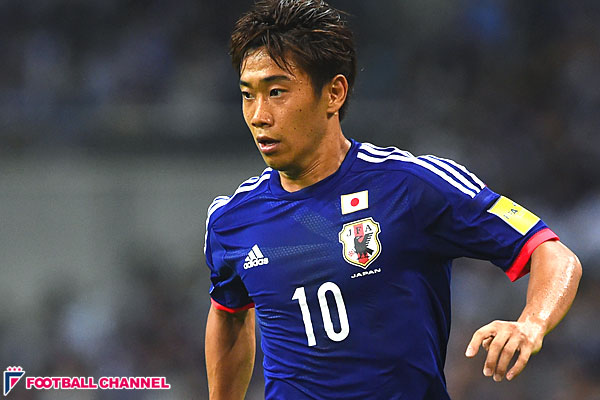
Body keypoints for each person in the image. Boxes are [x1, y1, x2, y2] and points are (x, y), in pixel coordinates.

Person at [203, 1, 582, 399]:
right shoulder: (232, 219)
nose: (259, 115)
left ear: (333, 93)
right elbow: (228, 313)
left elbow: (553, 254)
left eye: (276, 92)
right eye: (248, 95)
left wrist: (531, 323)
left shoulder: (411, 186)